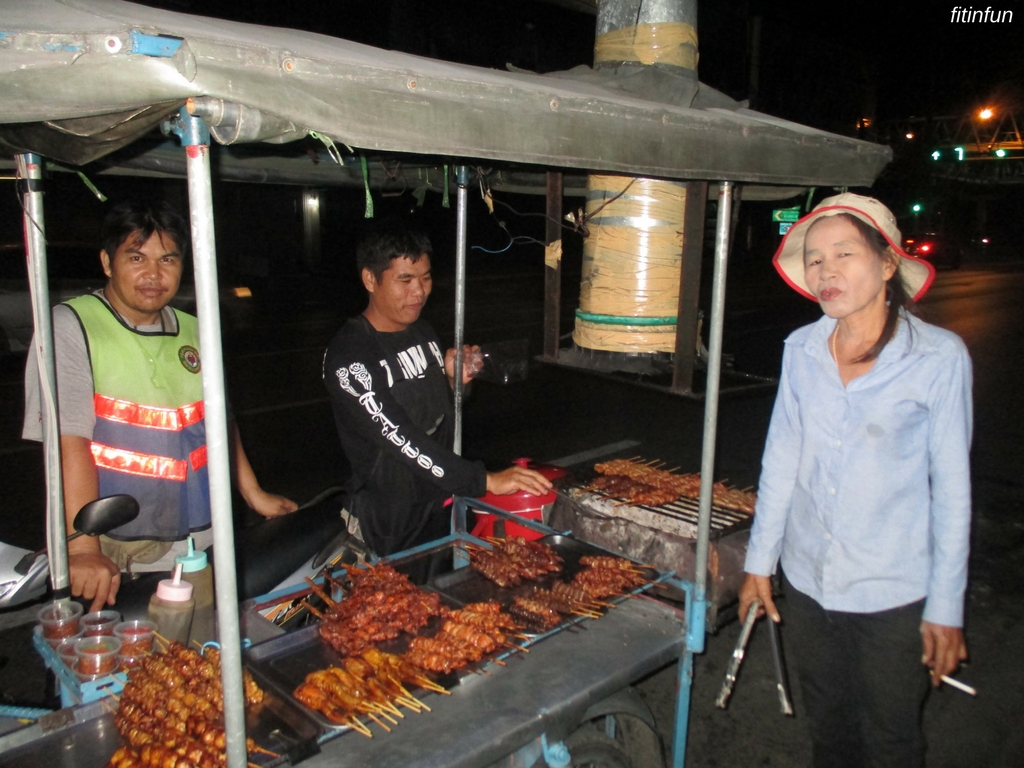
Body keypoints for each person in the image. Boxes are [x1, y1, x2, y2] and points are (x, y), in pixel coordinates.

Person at [739, 193, 972, 768]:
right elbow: (782, 460)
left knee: (892, 737)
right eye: (814, 259)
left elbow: (952, 490)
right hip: (810, 581)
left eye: (844, 253)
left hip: (891, 591)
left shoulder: (939, 358)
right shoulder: (801, 349)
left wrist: (946, 606)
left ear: (888, 263)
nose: (826, 271)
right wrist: (758, 565)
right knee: (830, 729)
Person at [23, 200, 297, 612]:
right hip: (121, 552)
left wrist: (252, 492)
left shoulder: (195, 328)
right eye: (136, 257)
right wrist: (81, 547)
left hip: (201, 538)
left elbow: (218, 420)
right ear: (107, 262)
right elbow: (68, 445)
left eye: (167, 259)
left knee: (199, 654)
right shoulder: (71, 325)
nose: (154, 274)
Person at [323, 227, 552, 557]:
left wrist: (453, 381)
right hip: (389, 520)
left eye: (425, 278)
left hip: (438, 501)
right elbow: (401, 438)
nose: (419, 292)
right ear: (370, 280)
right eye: (405, 280)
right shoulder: (351, 356)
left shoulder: (423, 331)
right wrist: (484, 480)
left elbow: (438, 412)